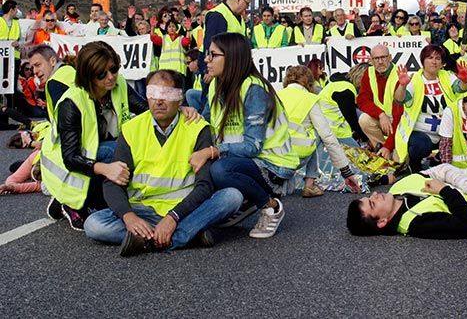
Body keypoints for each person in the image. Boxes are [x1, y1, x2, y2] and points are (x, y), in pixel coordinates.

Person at [83, 70, 244, 257]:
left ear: (180, 98)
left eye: (166, 94)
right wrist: (129, 217)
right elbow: (112, 182)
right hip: (143, 208)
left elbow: (204, 186)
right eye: (153, 94)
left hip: (185, 209)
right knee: (94, 225)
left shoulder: (198, 128)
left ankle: (157, 239)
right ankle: (188, 234)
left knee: (232, 197)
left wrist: (173, 217)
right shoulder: (131, 129)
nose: (159, 101)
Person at [192, 33, 296, 239]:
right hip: (243, 161)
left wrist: (213, 150)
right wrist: (186, 115)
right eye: (207, 54)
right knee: (204, 161)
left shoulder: (254, 88)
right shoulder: (216, 84)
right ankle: (244, 198)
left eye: (213, 55)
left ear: (231, 58)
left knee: (220, 169)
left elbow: (252, 146)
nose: (206, 60)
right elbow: (204, 124)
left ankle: (270, 206)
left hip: (273, 165)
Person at [41, 41, 149, 230]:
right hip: (66, 165)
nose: (110, 77)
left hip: (97, 151)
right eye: (101, 74)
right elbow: (70, 158)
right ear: (88, 76)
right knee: (113, 151)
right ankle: (70, 202)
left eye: (113, 69)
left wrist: (177, 109)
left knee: (124, 149)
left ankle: (97, 199)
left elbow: (146, 110)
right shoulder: (71, 103)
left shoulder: (119, 83)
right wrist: (106, 169)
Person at [277, 66, 360, 197]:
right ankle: (310, 184)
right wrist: (346, 172)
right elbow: (327, 136)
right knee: (319, 133)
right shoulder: (309, 99)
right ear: (309, 82)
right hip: (297, 155)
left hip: (275, 155)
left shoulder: (275, 95)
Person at [393, 45, 467, 172]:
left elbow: (460, 88)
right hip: (420, 132)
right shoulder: (415, 79)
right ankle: (414, 164)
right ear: (422, 61)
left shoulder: (446, 76)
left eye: (438, 58)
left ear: (442, 63)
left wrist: (465, 80)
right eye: (430, 58)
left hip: (445, 132)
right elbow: (399, 99)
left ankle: (437, 160)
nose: (434, 61)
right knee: (421, 145)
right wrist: (402, 86)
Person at [356, 44, 403, 154]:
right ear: (371, 60)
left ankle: (387, 149)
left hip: (399, 120)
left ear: (390, 58)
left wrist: (389, 146)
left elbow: (400, 116)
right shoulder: (369, 72)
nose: (380, 61)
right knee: (364, 119)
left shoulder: (399, 75)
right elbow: (362, 100)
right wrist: (381, 114)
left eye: (383, 57)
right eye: (376, 58)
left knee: (399, 159)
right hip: (382, 117)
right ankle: (380, 150)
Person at [199, 0, 252, 81]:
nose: (247, 8)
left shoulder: (238, 17)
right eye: (247, 4)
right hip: (217, 69)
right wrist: (210, 69)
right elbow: (211, 43)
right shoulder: (218, 15)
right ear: (239, 0)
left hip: (231, 67)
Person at [318, 63, 370, 146]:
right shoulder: (345, 90)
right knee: (359, 155)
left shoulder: (339, 83)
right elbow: (352, 119)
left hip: (329, 129)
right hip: (336, 132)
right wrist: (366, 138)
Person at [27, 45, 76, 125]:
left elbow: (65, 124)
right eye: (32, 67)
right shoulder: (70, 71)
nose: (35, 71)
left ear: (52, 61)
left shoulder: (54, 82)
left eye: (38, 65)